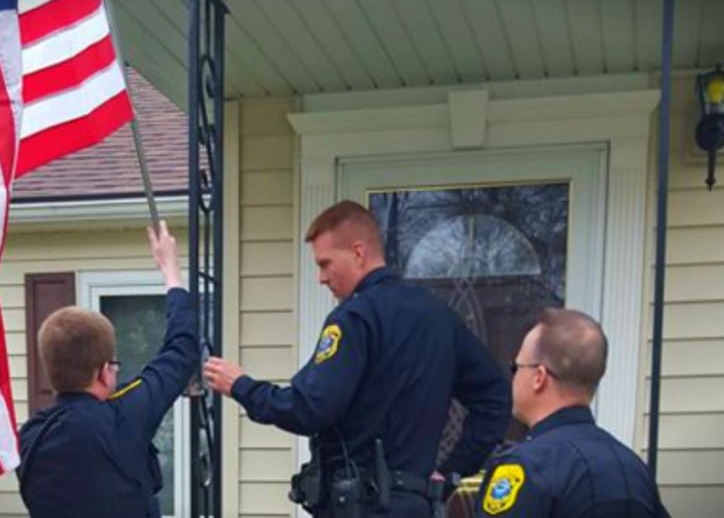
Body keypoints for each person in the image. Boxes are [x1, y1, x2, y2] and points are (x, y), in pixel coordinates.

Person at [204, 200, 512, 517]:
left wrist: (241, 386)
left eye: (325, 264)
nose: (321, 278)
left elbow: (310, 408)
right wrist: (452, 472)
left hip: (361, 504)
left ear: (358, 253)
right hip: (417, 504)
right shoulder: (438, 317)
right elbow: (495, 397)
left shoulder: (354, 318)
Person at [17, 221, 198, 518]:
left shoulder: (31, 437)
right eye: (114, 365)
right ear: (103, 371)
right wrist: (172, 273)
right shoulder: (121, 418)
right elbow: (181, 350)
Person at [474, 308, 669, 517]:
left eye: (516, 367)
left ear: (539, 377)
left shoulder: (526, 467)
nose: (513, 378)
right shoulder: (632, 468)